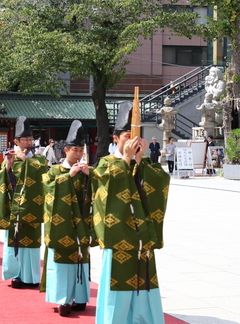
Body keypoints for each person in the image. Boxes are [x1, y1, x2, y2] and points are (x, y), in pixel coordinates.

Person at [93, 102, 171, 324]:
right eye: (128, 135)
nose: (133, 141)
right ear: (116, 138)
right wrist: (126, 160)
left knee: (145, 283)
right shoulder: (105, 164)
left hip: (141, 236)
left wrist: (139, 161)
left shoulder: (145, 164)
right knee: (116, 286)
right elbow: (105, 194)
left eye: (136, 136)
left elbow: (159, 184)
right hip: (118, 236)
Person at [41, 120, 95, 316]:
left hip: (82, 223)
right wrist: (68, 177)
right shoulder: (55, 171)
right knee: (62, 259)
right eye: (75, 150)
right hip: (61, 224)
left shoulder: (87, 171)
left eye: (81, 150)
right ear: (65, 150)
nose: (79, 154)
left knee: (82, 257)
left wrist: (92, 175)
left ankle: (80, 297)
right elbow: (47, 190)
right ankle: (63, 299)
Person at [0, 116, 47, 288]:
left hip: (32, 206)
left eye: (31, 139)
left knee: (31, 242)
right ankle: (16, 274)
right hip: (15, 207)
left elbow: (43, 175)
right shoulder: (10, 158)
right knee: (14, 239)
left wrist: (25, 160)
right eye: (25, 139)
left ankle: (31, 277)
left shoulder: (39, 159)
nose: (29, 142)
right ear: (16, 141)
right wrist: (7, 166)